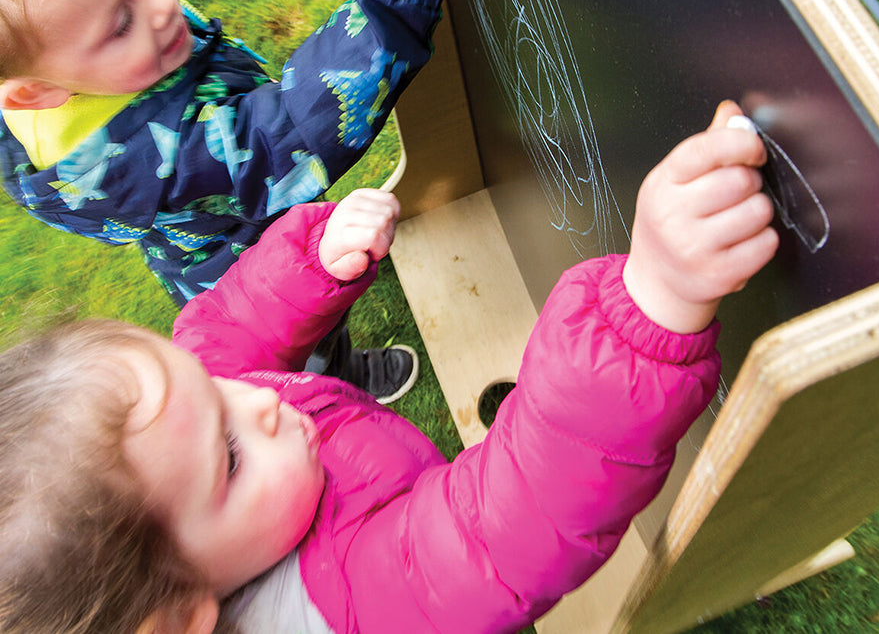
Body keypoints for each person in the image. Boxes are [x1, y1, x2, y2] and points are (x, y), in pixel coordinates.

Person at [0, 100, 779, 634]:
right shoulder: (357, 604)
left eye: (208, 390)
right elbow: (511, 520)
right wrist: (651, 305)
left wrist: (312, 261)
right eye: (229, 459)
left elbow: (219, 337)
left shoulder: (197, 434)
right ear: (182, 615)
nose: (258, 403)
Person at [0, 0, 470, 402]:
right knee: (306, 338)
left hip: (218, 244)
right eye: (122, 22)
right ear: (35, 92)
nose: (164, 0)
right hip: (252, 278)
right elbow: (293, 129)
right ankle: (344, 379)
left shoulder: (65, 76)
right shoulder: (158, 158)